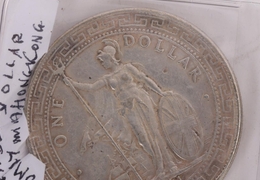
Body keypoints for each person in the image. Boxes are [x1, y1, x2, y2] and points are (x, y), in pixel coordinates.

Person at [65, 39, 178, 180]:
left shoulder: (127, 68)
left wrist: (160, 92)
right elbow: (91, 87)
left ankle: (169, 164)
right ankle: (159, 165)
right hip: (127, 108)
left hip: (140, 99)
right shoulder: (107, 78)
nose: (102, 63)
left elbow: (144, 79)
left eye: (103, 60)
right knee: (143, 138)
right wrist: (72, 83)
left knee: (154, 132)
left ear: (110, 58)